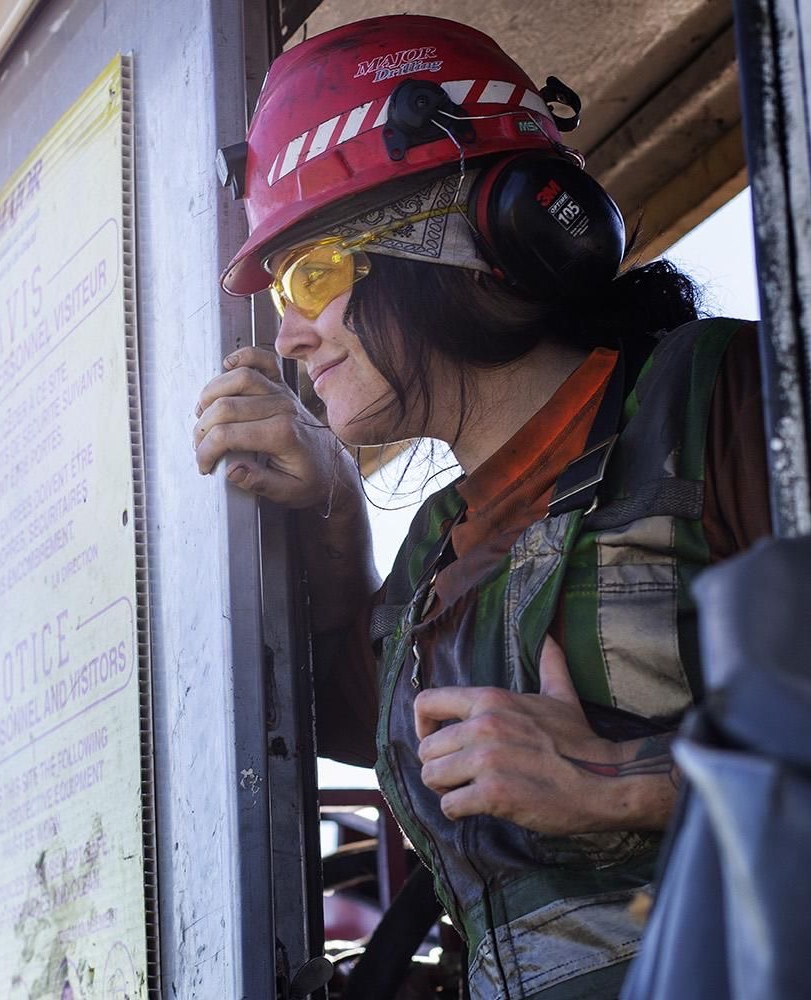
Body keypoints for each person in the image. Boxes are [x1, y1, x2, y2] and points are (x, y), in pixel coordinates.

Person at [193, 15, 770, 998]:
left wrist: (629, 780)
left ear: (454, 237)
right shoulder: (434, 550)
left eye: (306, 275)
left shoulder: (725, 401)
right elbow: (346, 721)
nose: (287, 334)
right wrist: (335, 504)